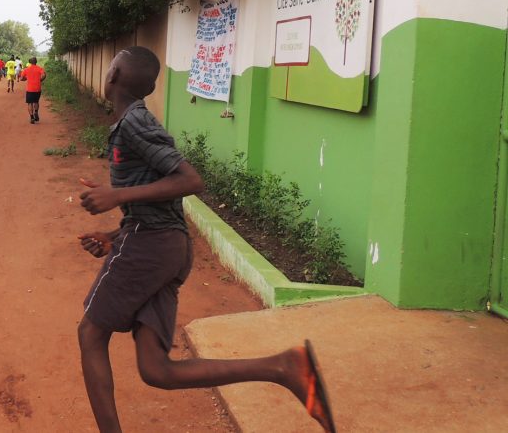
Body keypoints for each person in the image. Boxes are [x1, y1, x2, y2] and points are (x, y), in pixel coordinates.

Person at [75, 46, 336, 433]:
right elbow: (157, 200)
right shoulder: (129, 123)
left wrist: (117, 196)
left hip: (153, 245)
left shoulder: (135, 123)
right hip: (160, 245)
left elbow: (190, 180)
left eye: (111, 64)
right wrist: (115, 234)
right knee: (156, 369)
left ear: (111, 75)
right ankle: (284, 366)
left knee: (90, 334)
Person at [19, 56, 46, 123]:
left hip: (30, 89)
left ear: (29, 62)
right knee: (36, 101)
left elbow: (22, 78)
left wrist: (26, 78)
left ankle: (32, 118)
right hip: (37, 88)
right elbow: (44, 75)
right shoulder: (40, 68)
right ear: (36, 62)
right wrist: (40, 80)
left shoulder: (26, 70)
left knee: (30, 103)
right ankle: (36, 112)